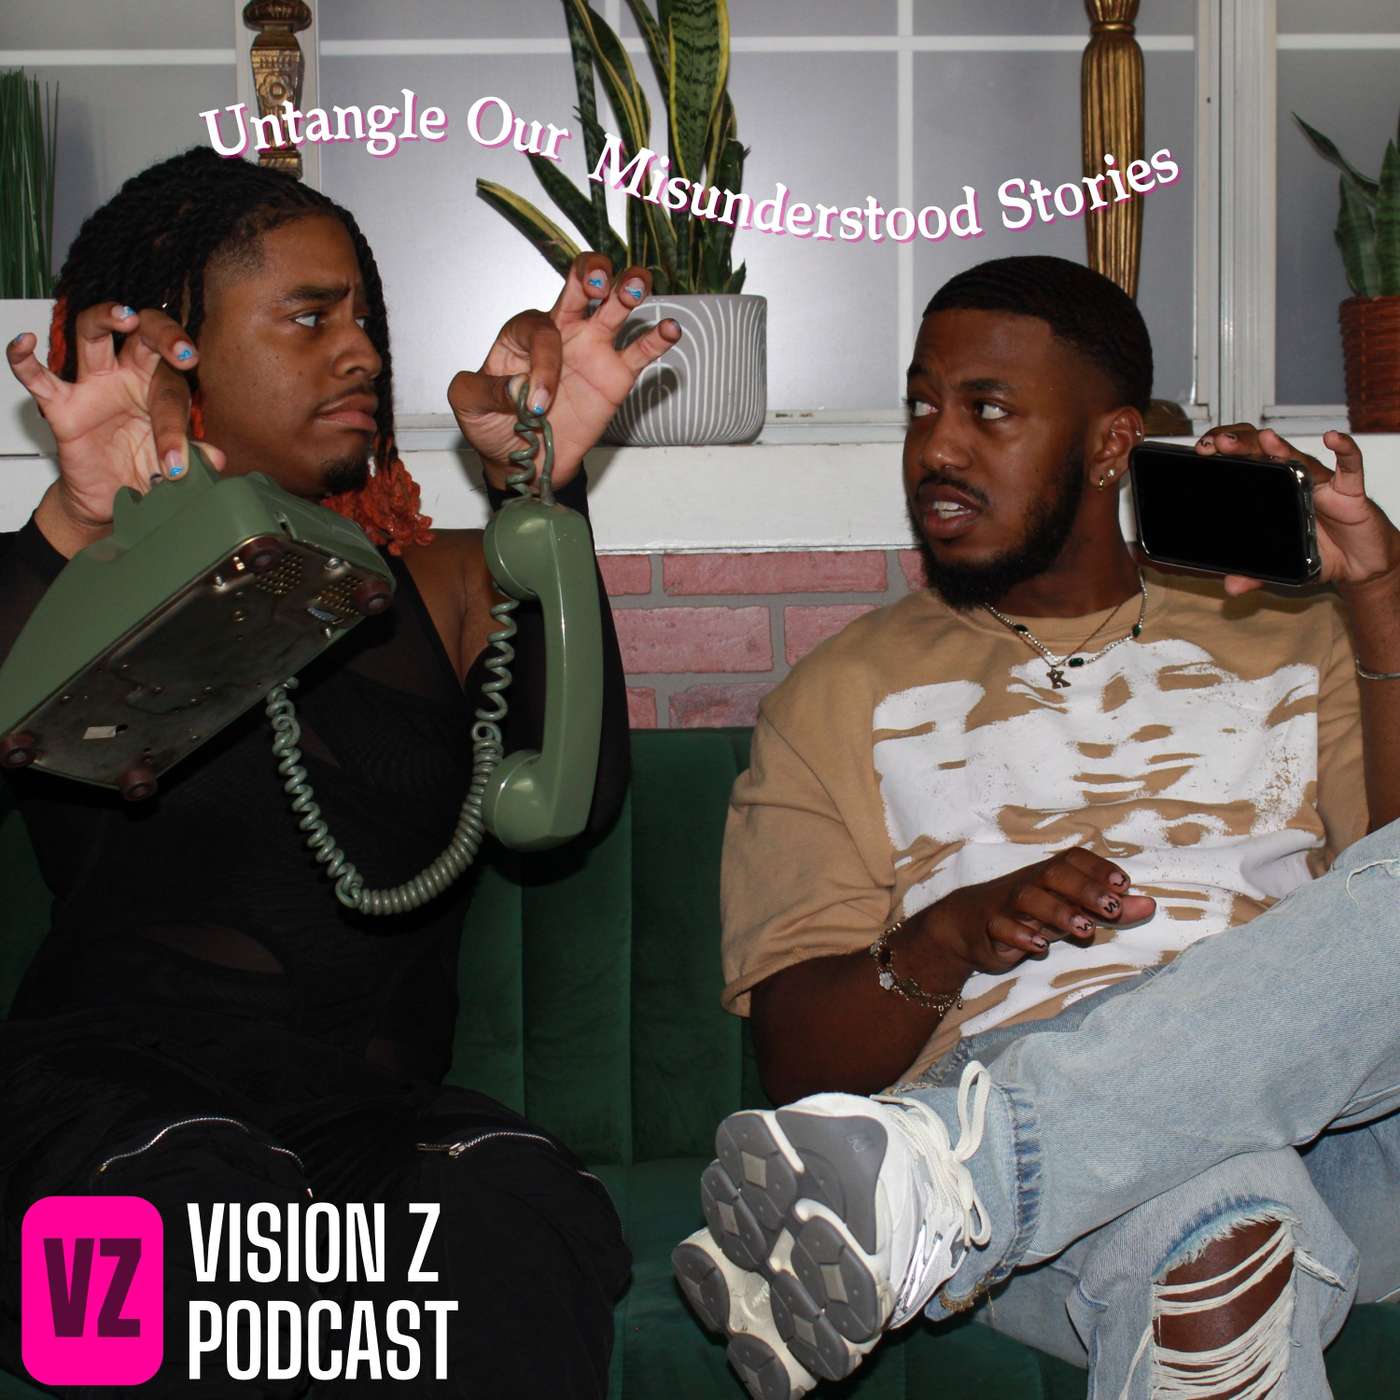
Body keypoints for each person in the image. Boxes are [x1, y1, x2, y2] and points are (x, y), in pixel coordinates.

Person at [0, 145, 680, 1397]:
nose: (362, 352)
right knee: (193, 1233)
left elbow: (571, 802)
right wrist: (78, 531)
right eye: (310, 317)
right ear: (166, 349)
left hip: (366, 1130)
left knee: (518, 1229)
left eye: (365, 318)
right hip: (105, 1116)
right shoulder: (66, 582)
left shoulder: (451, 583)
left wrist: (544, 491)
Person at [673, 256, 1400, 1399]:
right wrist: (946, 934)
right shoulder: (837, 692)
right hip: (1044, 1121)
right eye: (922, 405)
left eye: (988, 410)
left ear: (1111, 444)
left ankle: (957, 1175)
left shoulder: (1288, 631)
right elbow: (798, 1064)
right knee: (1218, 1246)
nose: (936, 447)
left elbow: (1384, 888)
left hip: (1342, 1119)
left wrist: (1375, 592)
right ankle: (977, 1165)